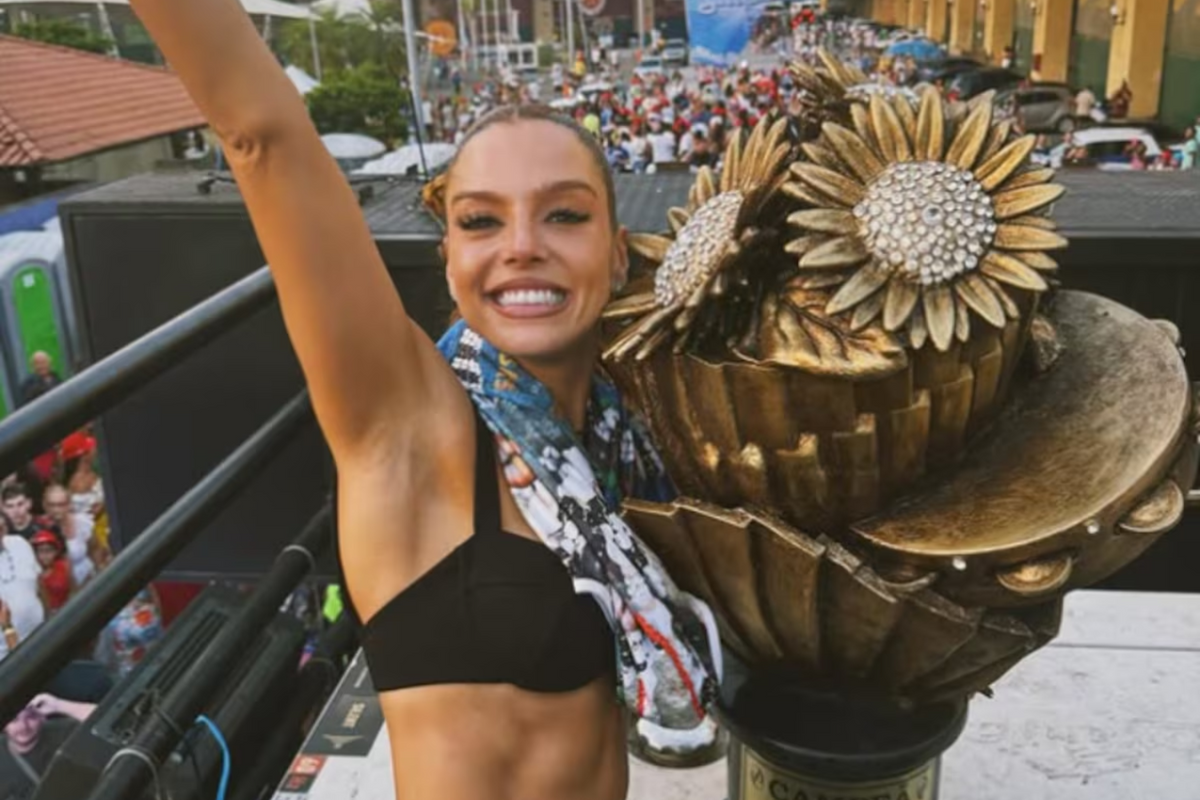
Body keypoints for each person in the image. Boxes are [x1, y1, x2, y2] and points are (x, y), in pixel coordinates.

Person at [122, 2, 721, 799]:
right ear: (447, 262)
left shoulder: (618, 440)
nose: (521, 245)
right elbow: (260, 137)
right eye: (481, 221)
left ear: (616, 257)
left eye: (565, 214)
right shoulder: (407, 421)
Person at [30, 530, 73, 614]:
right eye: (41, 551)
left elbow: (73, 589)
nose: (45, 556)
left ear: (56, 551)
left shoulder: (64, 566)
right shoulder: (34, 574)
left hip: (67, 609)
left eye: (49, 551)